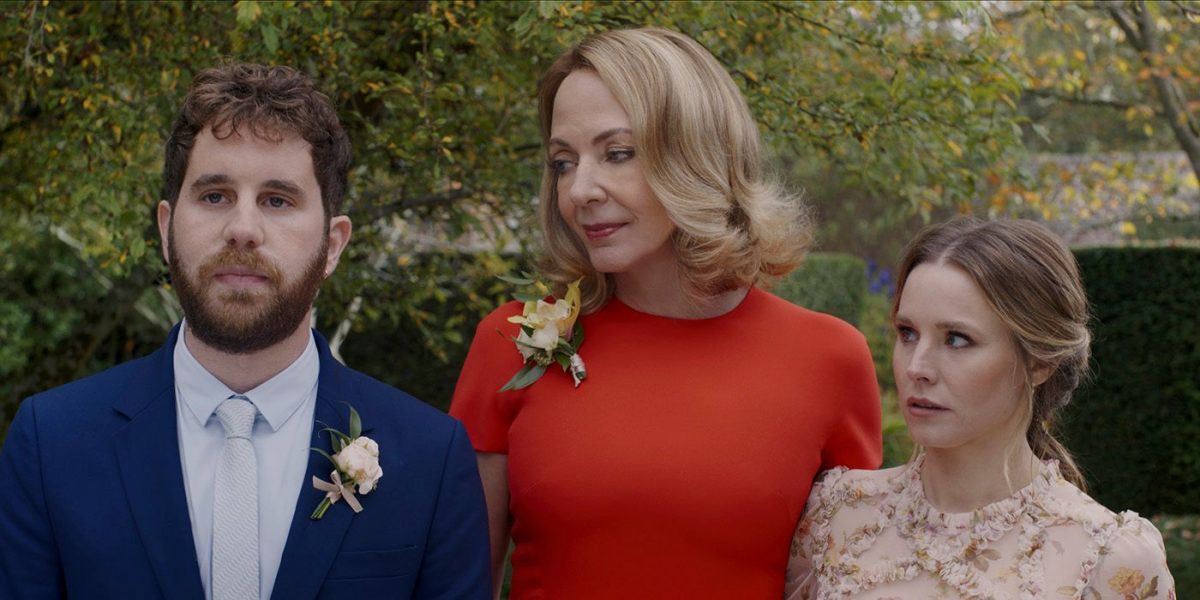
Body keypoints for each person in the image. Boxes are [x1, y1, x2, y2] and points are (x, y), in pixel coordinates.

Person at [0, 62, 490, 600]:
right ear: (166, 229)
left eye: (278, 200)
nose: (242, 229)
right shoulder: (51, 444)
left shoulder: (430, 458)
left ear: (332, 246)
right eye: (215, 195)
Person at [450, 27, 882, 599]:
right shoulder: (512, 341)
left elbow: (853, 581)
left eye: (617, 154)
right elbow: (461, 584)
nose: (579, 190)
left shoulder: (828, 357)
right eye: (563, 162)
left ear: (697, 156)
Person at [785, 218, 1175, 599]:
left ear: (1040, 363)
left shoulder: (1109, 559)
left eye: (956, 339)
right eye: (908, 333)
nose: (917, 367)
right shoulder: (836, 514)